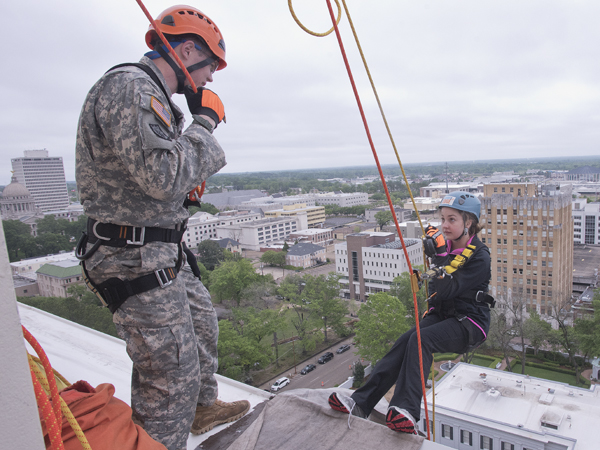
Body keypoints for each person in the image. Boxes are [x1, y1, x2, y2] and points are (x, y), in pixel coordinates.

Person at [75, 6, 249, 449]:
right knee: (169, 370)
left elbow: (161, 182)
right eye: (210, 65)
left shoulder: (152, 97)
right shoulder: (130, 88)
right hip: (130, 254)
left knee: (203, 324)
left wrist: (183, 191)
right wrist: (205, 124)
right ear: (186, 49)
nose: (210, 79)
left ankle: (201, 406)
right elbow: (162, 176)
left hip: (159, 246)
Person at [328, 191, 494, 435]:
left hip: (470, 324)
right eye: (443, 219)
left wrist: (437, 257)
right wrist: (436, 254)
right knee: (406, 340)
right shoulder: (445, 248)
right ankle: (360, 402)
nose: (444, 226)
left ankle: (406, 410)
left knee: (420, 340)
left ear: (468, 222)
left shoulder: (480, 257)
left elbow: (448, 289)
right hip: (445, 317)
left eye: (451, 220)